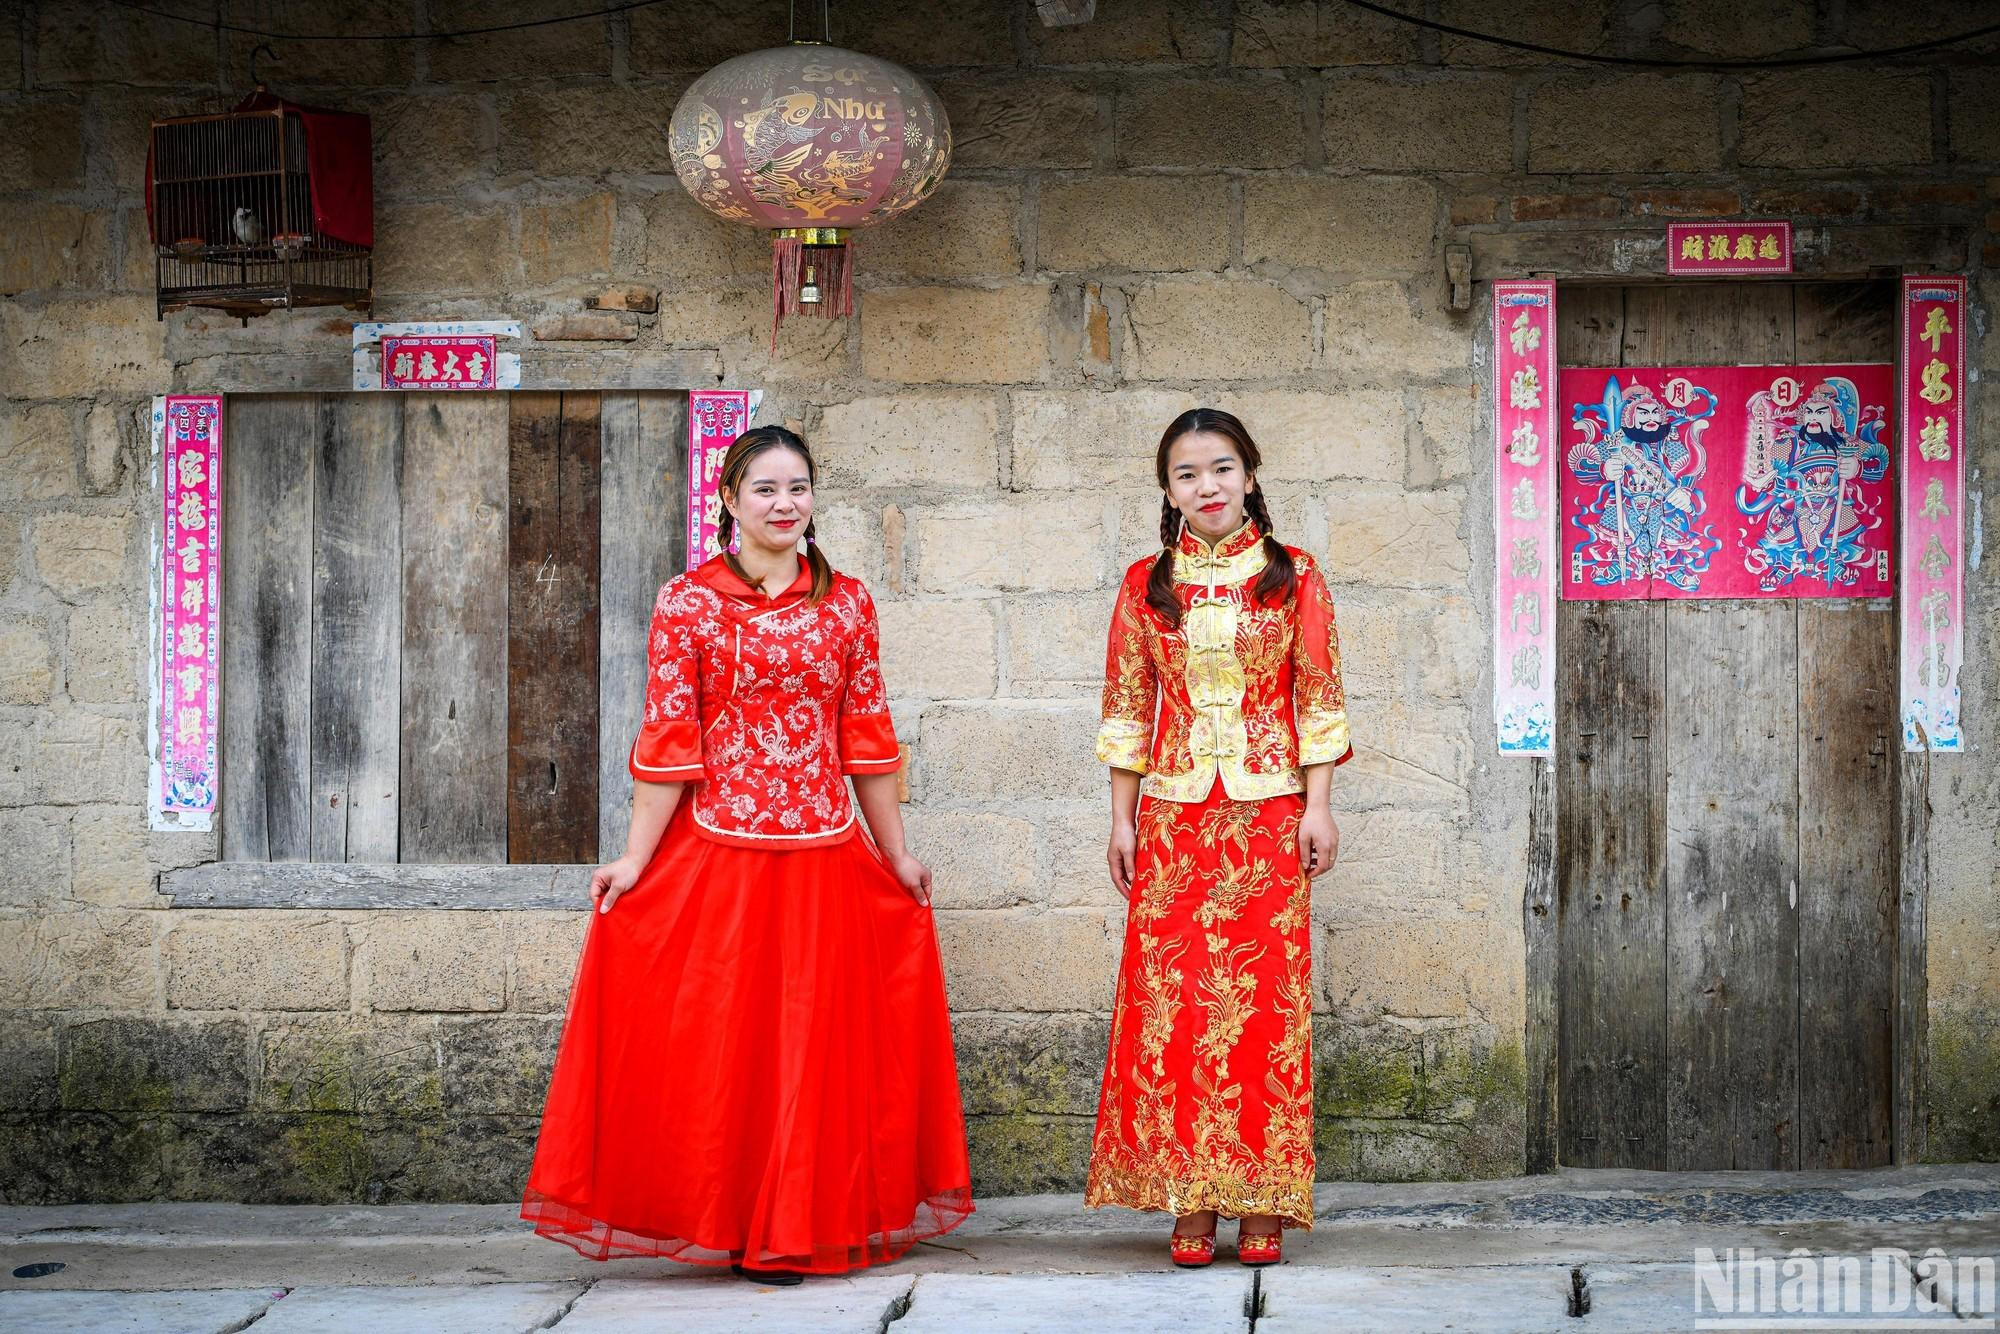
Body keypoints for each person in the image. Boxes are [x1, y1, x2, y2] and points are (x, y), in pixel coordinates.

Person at [521, 426, 972, 1283]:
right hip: (719, 856)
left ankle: (794, 1225)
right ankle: (732, 1219)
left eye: (797, 487)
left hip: (824, 857)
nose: (783, 504)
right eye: (764, 489)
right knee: (730, 1048)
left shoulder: (847, 603)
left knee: (811, 1048)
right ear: (728, 499)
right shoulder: (688, 602)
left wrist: (898, 854)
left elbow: (865, 737)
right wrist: (631, 861)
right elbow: (668, 742)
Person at [1084, 408, 1352, 1269]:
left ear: (1250, 473)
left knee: (1264, 1012)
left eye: (1222, 469)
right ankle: (1191, 1199)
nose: (1208, 487)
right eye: (1188, 475)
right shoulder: (1144, 584)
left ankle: (1261, 1200)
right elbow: (1127, 710)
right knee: (1173, 1012)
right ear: (1168, 491)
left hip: (1271, 816)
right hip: (1172, 822)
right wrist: (1121, 821)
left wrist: (1319, 806)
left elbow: (1318, 697)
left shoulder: (1293, 575)